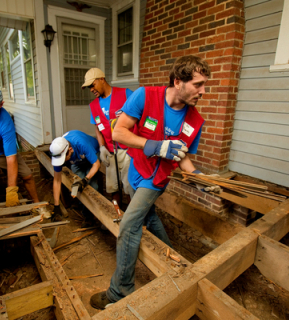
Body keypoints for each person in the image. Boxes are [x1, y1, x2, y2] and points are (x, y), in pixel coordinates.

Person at [90, 55, 210, 309]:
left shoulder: (194, 120)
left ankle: (119, 291)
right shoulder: (146, 96)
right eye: (198, 84)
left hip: (156, 180)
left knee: (130, 225)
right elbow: (118, 132)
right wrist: (154, 146)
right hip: (136, 169)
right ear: (178, 82)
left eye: (204, 85)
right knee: (149, 217)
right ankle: (174, 262)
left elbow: (184, 156)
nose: (203, 91)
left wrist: (198, 178)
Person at [82, 68, 134, 202]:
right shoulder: (93, 106)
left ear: (102, 79)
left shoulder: (125, 94)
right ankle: (116, 215)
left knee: (129, 188)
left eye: (92, 85)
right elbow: (98, 129)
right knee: (112, 188)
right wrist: (102, 147)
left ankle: (129, 219)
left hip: (128, 150)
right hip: (110, 152)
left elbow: (141, 114)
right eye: (89, 87)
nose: (91, 89)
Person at [50, 130, 101, 225]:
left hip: (92, 154)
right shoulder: (58, 151)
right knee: (77, 187)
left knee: (92, 186)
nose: (61, 162)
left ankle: (95, 216)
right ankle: (87, 215)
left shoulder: (81, 144)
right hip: (77, 161)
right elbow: (57, 180)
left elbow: (96, 164)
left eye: (63, 159)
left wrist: (85, 180)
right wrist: (56, 206)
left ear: (70, 150)